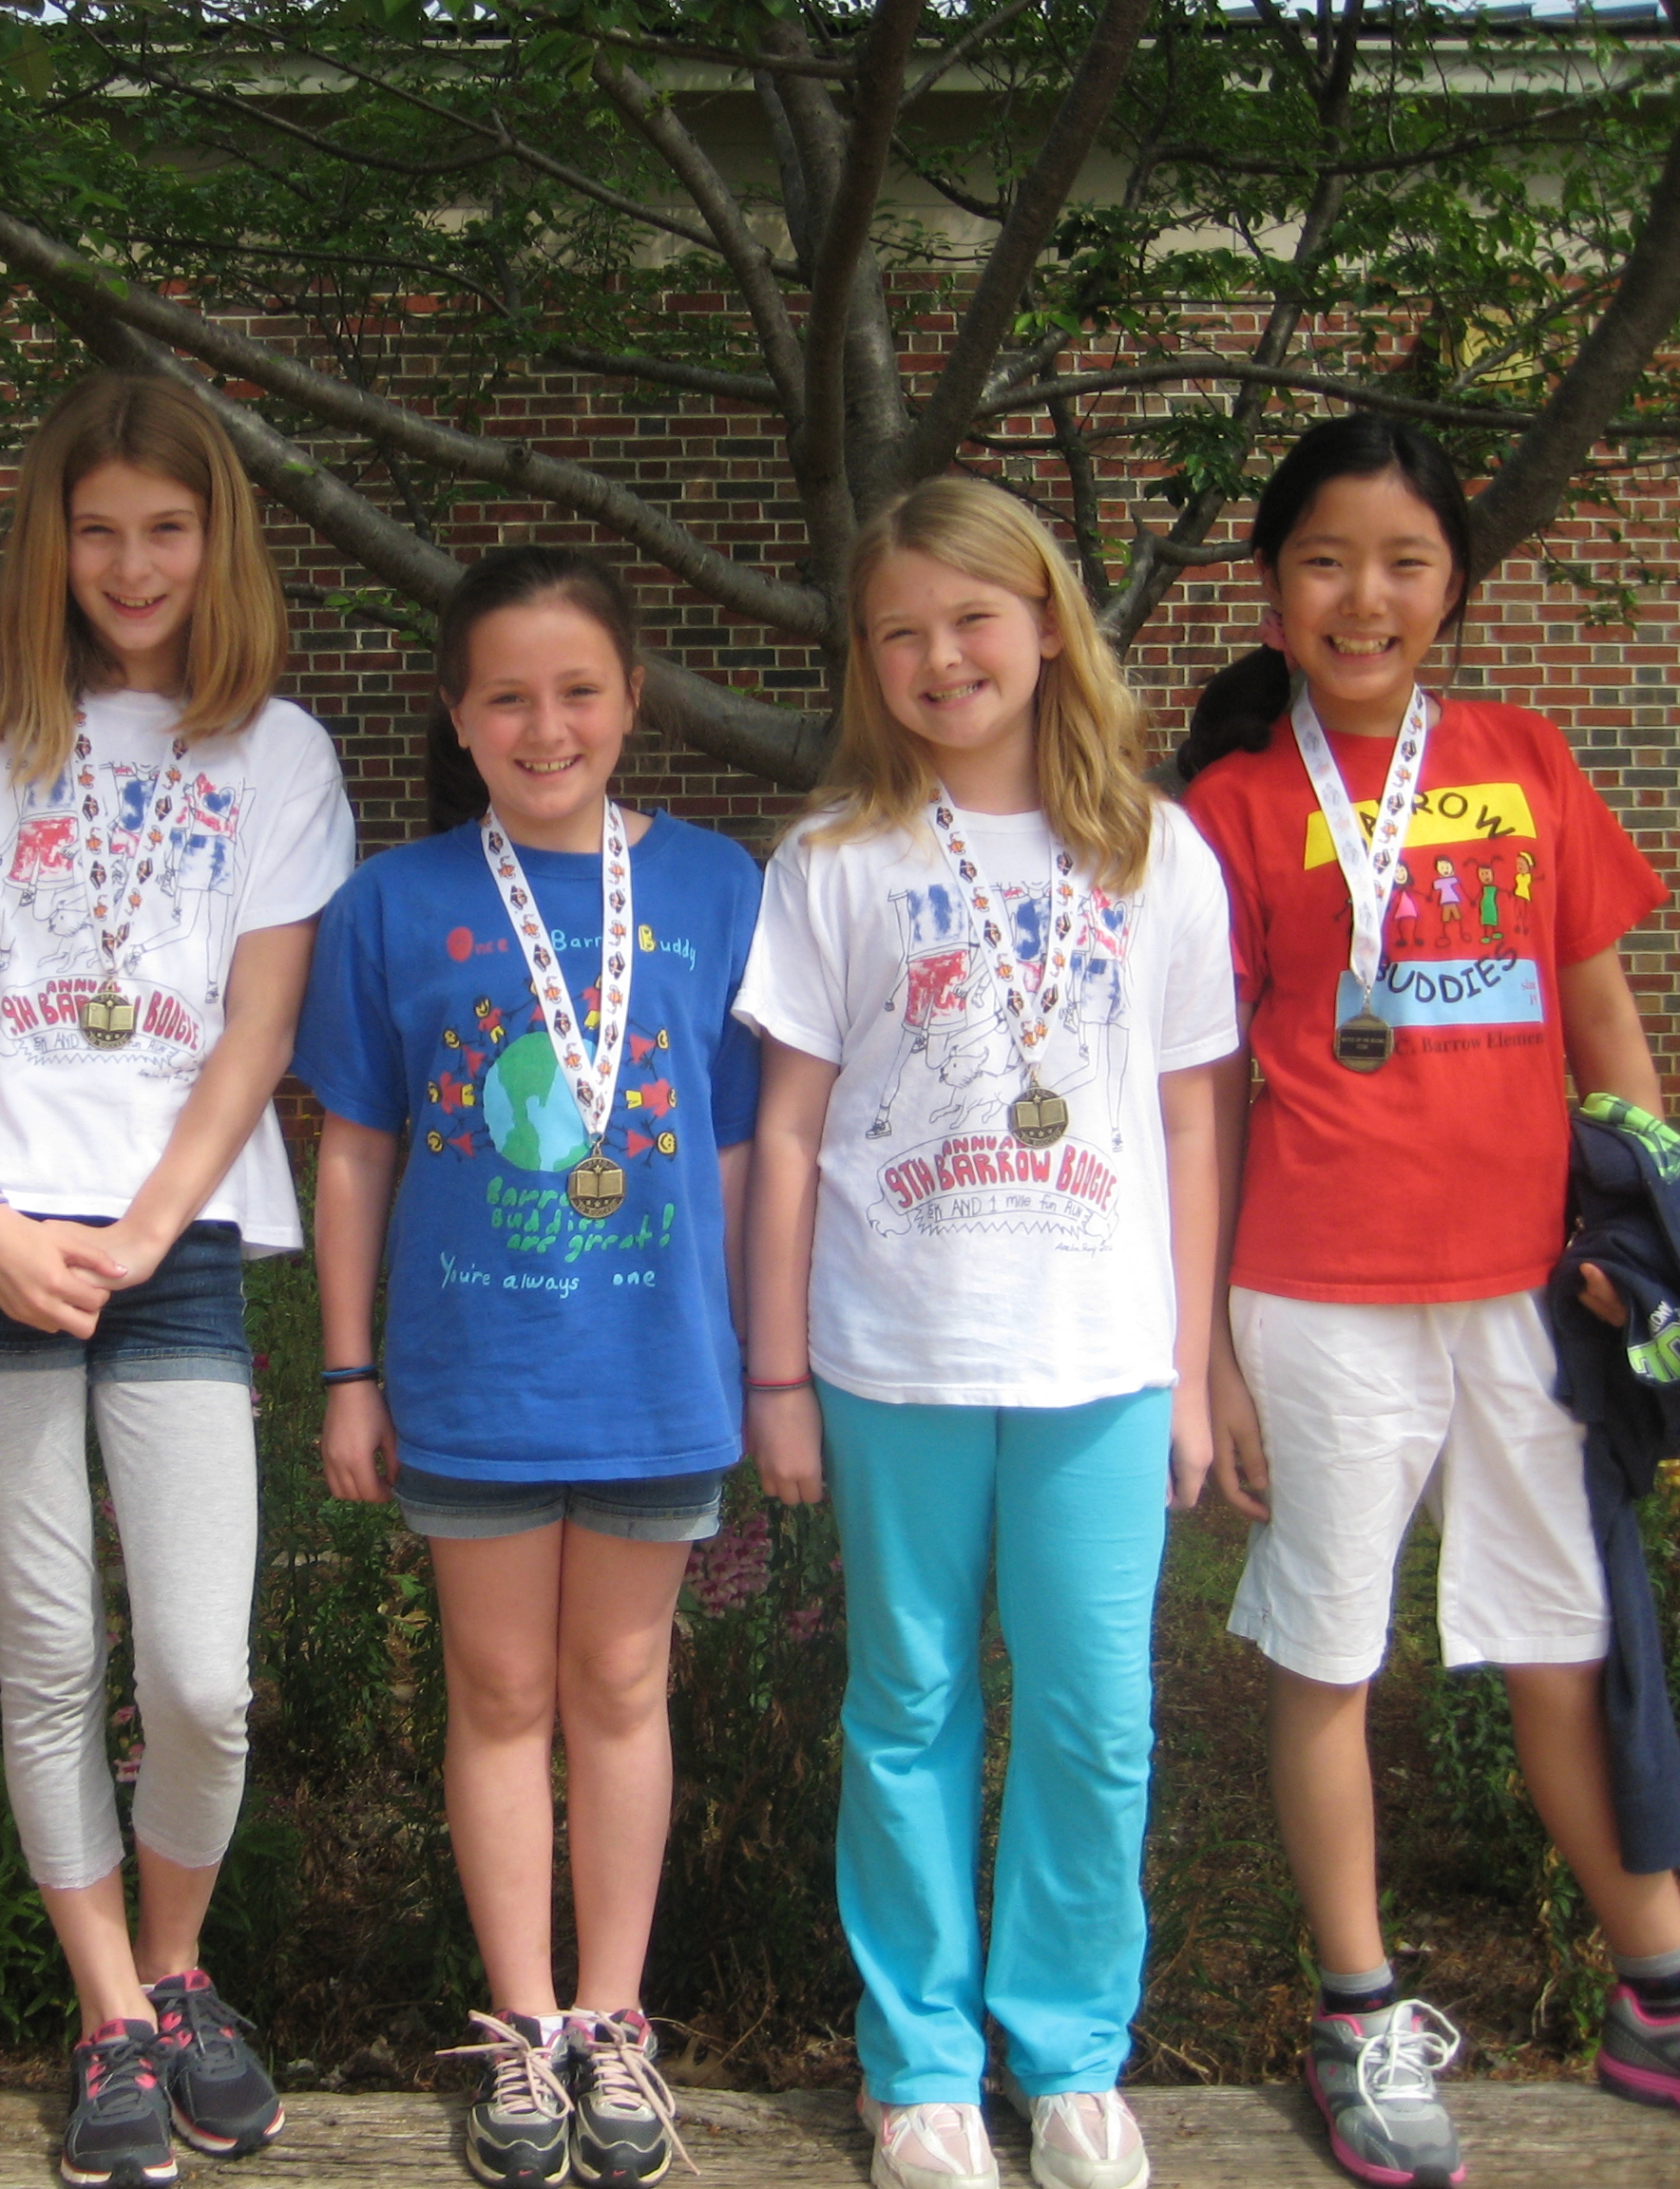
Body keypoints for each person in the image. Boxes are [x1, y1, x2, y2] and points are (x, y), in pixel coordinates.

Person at [1177, 411, 1680, 2185]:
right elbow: (1205, 1091)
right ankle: (1357, 2011)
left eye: (1405, 562)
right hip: (1316, 1295)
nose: (1365, 596)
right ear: (1271, 592)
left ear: (1454, 587)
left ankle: (1668, 1994)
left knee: (1566, 1638)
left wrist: (1657, 1225)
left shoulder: (1525, 756)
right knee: (1332, 1650)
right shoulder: (1229, 811)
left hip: (1531, 1293)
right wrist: (1211, 1351)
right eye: (1326, 561)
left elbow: (1601, 1010)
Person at [0, 372, 352, 2189]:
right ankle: (111, 2015)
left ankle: (179, 1962)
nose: (133, 565)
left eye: (167, 529)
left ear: (217, 541)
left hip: (173, 1245)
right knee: (52, 1648)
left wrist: (148, 1228)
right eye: (97, 530)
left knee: (203, 1675)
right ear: (48, 546)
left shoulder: (276, 754)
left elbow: (258, 1029)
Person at [737, 476, 1236, 2189]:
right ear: (866, 660)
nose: (942, 657)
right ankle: (923, 2065)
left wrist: (1189, 1369)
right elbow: (788, 1132)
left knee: (1099, 1718)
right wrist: (776, 1375)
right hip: (897, 1353)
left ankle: (1074, 2052)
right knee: (908, 1703)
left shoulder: (1157, 852)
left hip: (1102, 1357)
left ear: (1046, 624)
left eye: (973, 619)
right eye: (902, 633)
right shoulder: (834, 861)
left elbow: (1191, 1122)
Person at [297, 546, 762, 2189]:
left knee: (622, 1691)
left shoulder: (719, 886)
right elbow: (354, 1152)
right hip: (472, 1379)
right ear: (457, 714)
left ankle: (614, 2024)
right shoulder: (391, 903)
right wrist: (347, 1373)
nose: (546, 727)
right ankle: (521, 2025)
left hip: (653, 1378)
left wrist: (748, 1360)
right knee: (498, 1696)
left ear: (634, 699)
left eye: (579, 692)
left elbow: (743, 1148)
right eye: (508, 697)